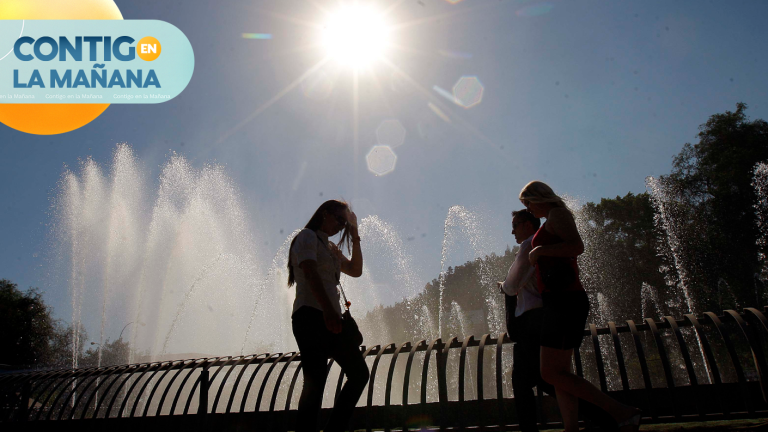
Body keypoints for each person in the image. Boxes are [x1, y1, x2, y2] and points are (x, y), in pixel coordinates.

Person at [519, 181, 641, 432]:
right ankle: (571, 428)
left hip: (565, 300)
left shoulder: (558, 214)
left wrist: (540, 250)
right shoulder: (552, 217)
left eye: (528, 202)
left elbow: (577, 246)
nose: (528, 208)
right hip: (558, 300)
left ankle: (623, 412)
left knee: (550, 373)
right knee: (559, 372)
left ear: (540, 197)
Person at [499, 209, 617, 432]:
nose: (512, 231)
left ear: (527, 225)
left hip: (533, 321)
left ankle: (611, 416)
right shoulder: (540, 244)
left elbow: (512, 286)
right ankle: (607, 418)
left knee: (537, 380)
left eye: (515, 225)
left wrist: (503, 286)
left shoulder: (529, 245)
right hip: (543, 318)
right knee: (544, 379)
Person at [287, 200, 369, 432]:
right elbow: (310, 272)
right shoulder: (307, 236)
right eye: (339, 220)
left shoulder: (330, 247)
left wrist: (355, 234)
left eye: (344, 224)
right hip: (309, 315)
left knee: (359, 374)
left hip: (331, 317)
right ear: (325, 214)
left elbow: (356, 270)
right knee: (315, 381)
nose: (340, 226)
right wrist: (329, 310)